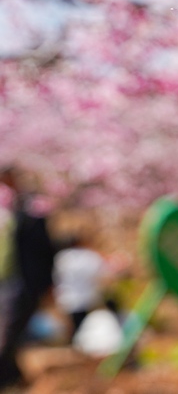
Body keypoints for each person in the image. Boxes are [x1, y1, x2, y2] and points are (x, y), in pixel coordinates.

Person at [0, 166, 56, 389]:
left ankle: (8, 377)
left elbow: (44, 249)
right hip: (10, 281)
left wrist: (46, 284)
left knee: (9, 331)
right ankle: (11, 376)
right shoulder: (13, 210)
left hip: (22, 282)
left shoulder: (30, 209)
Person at [53, 234, 108, 342]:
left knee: (73, 327)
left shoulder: (62, 257)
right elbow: (101, 272)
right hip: (85, 298)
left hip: (66, 298)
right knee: (85, 327)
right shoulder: (88, 257)